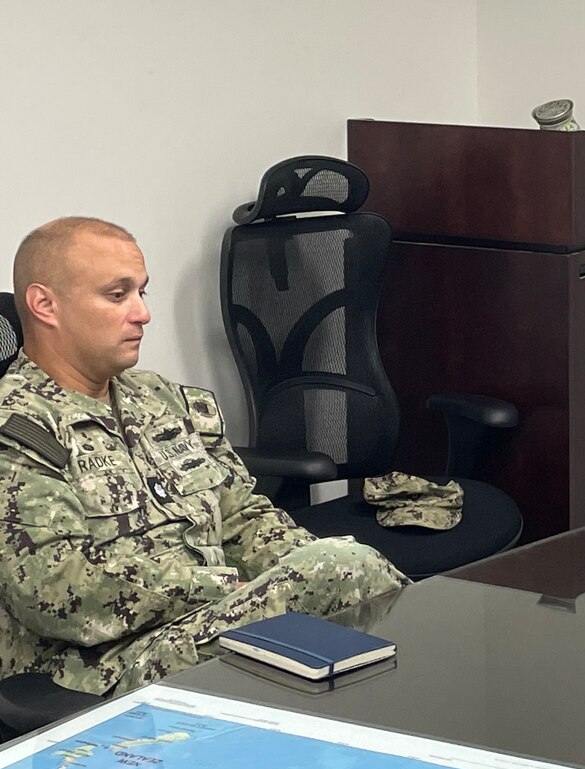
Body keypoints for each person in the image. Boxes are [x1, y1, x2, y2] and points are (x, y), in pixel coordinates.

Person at [0, 217, 410, 697]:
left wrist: (295, 567)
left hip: (205, 621)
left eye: (142, 293)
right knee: (339, 571)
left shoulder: (161, 400)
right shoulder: (18, 431)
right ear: (44, 304)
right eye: (118, 295)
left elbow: (241, 517)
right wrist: (223, 586)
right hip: (95, 667)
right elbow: (52, 591)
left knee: (344, 572)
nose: (142, 314)